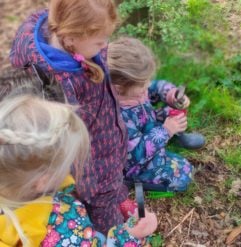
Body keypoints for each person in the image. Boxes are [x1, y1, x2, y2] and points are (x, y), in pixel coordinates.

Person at [9, 0, 157, 235]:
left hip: (109, 152)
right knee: (106, 216)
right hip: (92, 169)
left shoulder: (69, 33)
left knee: (115, 186)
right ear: (72, 38)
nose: (106, 46)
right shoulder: (61, 85)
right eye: (100, 41)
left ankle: (119, 198)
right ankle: (117, 230)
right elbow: (73, 144)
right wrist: (87, 188)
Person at [0, 94, 156, 246]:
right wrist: (130, 237)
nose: (70, 169)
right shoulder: (66, 229)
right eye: (66, 163)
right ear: (43, 181)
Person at [108, 37, 196, 192]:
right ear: (119, 87)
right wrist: (166, 131)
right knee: (184, 174)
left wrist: (171, 94)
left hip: (148, 127)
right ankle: (134, 182)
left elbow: (156, 87)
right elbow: (136, 153)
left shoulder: (134, 90)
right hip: (135, 164)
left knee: (171, 113)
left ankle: (178, 137)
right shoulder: (118, 118)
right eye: (143, 83)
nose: (147, 85)